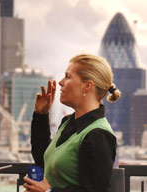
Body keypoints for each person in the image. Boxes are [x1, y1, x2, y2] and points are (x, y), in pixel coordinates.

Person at [24, 54, 121, 192]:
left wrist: (49, 191)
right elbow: (44, 161)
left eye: (68, 77)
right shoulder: (68, 122)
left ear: (87, 86)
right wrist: (41, 115)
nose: (60, 82)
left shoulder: (98, 135)